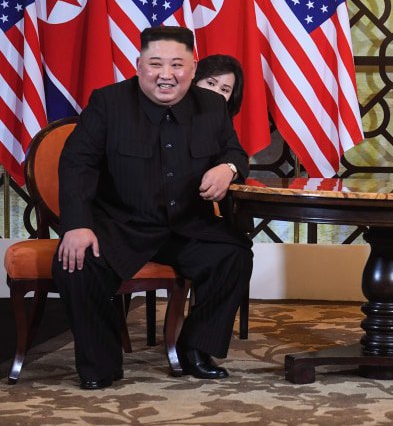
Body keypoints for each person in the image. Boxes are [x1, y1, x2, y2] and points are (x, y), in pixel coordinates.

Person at [53, 26, 253, 390]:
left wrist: (229, 168)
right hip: (123, 223)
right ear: (139, 65)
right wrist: (77, 224)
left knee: (234, 253)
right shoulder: (108, 102)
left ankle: (195, 350)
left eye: (177, 65)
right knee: (77, 263)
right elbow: (77, 164)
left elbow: (235, 151)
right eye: (155, 63)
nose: (166, 74)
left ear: (193, 69)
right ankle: (101, 363)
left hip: (188, 225)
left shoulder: (211, 105)